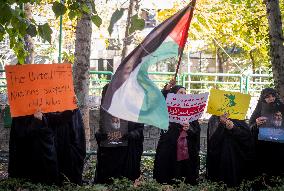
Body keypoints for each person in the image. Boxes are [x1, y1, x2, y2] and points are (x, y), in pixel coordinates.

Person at [9, 105, 86, 185]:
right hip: (36, 161)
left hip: (64, 157)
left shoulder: (69, 105)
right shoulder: (25, 107)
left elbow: (77, 138)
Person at [94, 84, 144, 184]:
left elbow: (139, 130)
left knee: (125, 181)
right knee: (108, 181)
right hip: (108, 155)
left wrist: (127, 135)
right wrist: (102, 135)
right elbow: (99, 132)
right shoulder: (105, 110)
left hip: (126, 154)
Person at [153, 80, 200, 185]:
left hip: (186, 148)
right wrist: (166, 89)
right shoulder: (166, 107)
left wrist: (189, 128)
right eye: (180, 92)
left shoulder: (191, 108)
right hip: (169, 146)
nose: (183, 95)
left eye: (185, 93)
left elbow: (196, 129)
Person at [206, 114, 255, 187]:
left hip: (237, 161)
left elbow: (247, 137)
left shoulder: (238, 117)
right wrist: (221, 125)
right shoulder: (214, 119)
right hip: (219, 163)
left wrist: (234, 128)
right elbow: (212, 142)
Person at [249, 88, 284, 176]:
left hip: (278, 144)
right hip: (262, 144)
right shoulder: (259, 108)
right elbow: (250, 125)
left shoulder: (281, 106)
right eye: (267, 97)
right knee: (263, 165)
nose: (271, 98)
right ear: (263, 98)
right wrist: (256, 124)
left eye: (273, 96)